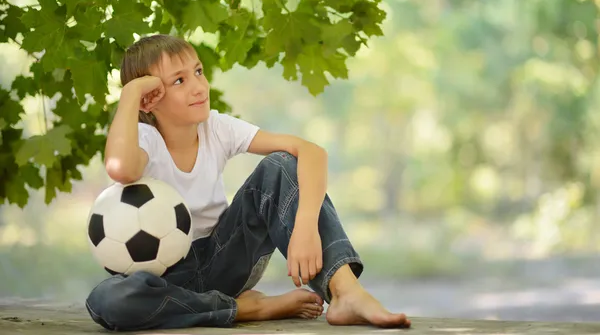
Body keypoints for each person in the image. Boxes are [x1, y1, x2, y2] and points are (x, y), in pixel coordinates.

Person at [85, 34, 411, 331]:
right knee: (107, 300)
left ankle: (346, 293)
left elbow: (310, 152)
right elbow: (122, 169)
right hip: (167, 281)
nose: (198, 87)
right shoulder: (144, 139)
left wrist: (306, 224)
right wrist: (129, 96)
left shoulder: (217, 128)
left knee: (281, 165)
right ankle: (244, 310)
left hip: (225, 258)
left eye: (198, 72)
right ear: (150, 98)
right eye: (179, 81)